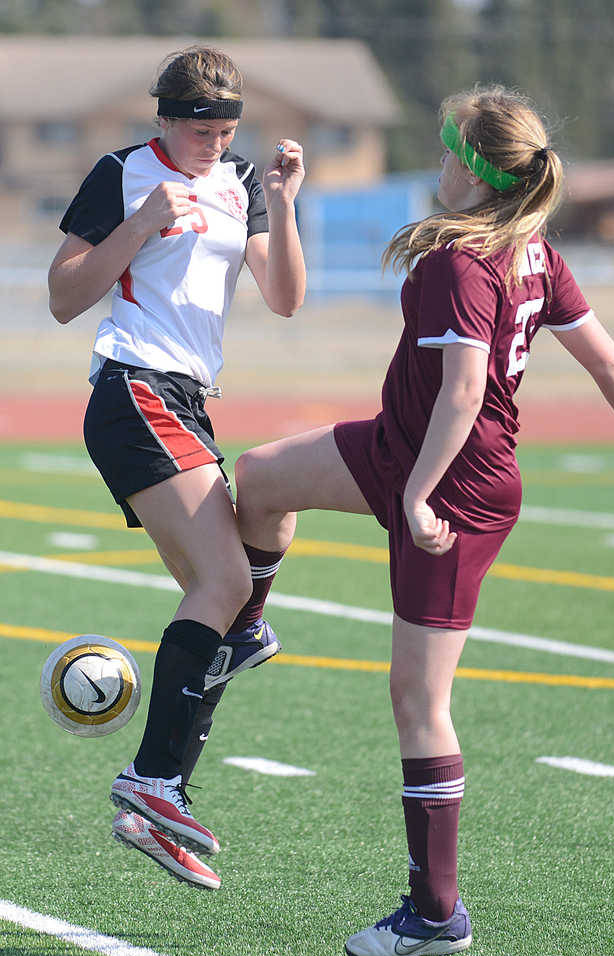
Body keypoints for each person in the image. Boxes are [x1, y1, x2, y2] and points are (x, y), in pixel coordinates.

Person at [228, 85, 614, 956]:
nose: (436, 165)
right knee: (260, 475)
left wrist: (418, 494)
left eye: (446, 153)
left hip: (455, 483)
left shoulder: (461, 264)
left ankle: (435, 914)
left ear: (476, 176)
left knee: (417, 701)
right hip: (407, 449)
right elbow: (606, 358)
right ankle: (241, 630)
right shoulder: (531, 253)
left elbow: (465, 393)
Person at [48, 45, 306, 892]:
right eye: (200, 128)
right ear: (163, 116)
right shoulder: (122, 174)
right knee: (228, 587)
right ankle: (151, 780)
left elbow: (285, 298)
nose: (212, 142)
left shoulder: (239, 181)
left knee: (226, 608)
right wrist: (140, 224)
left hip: (189, 399)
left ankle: (155, 802)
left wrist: (281, 202)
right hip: (132, 390)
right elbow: (63, 297)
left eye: (226, 129)